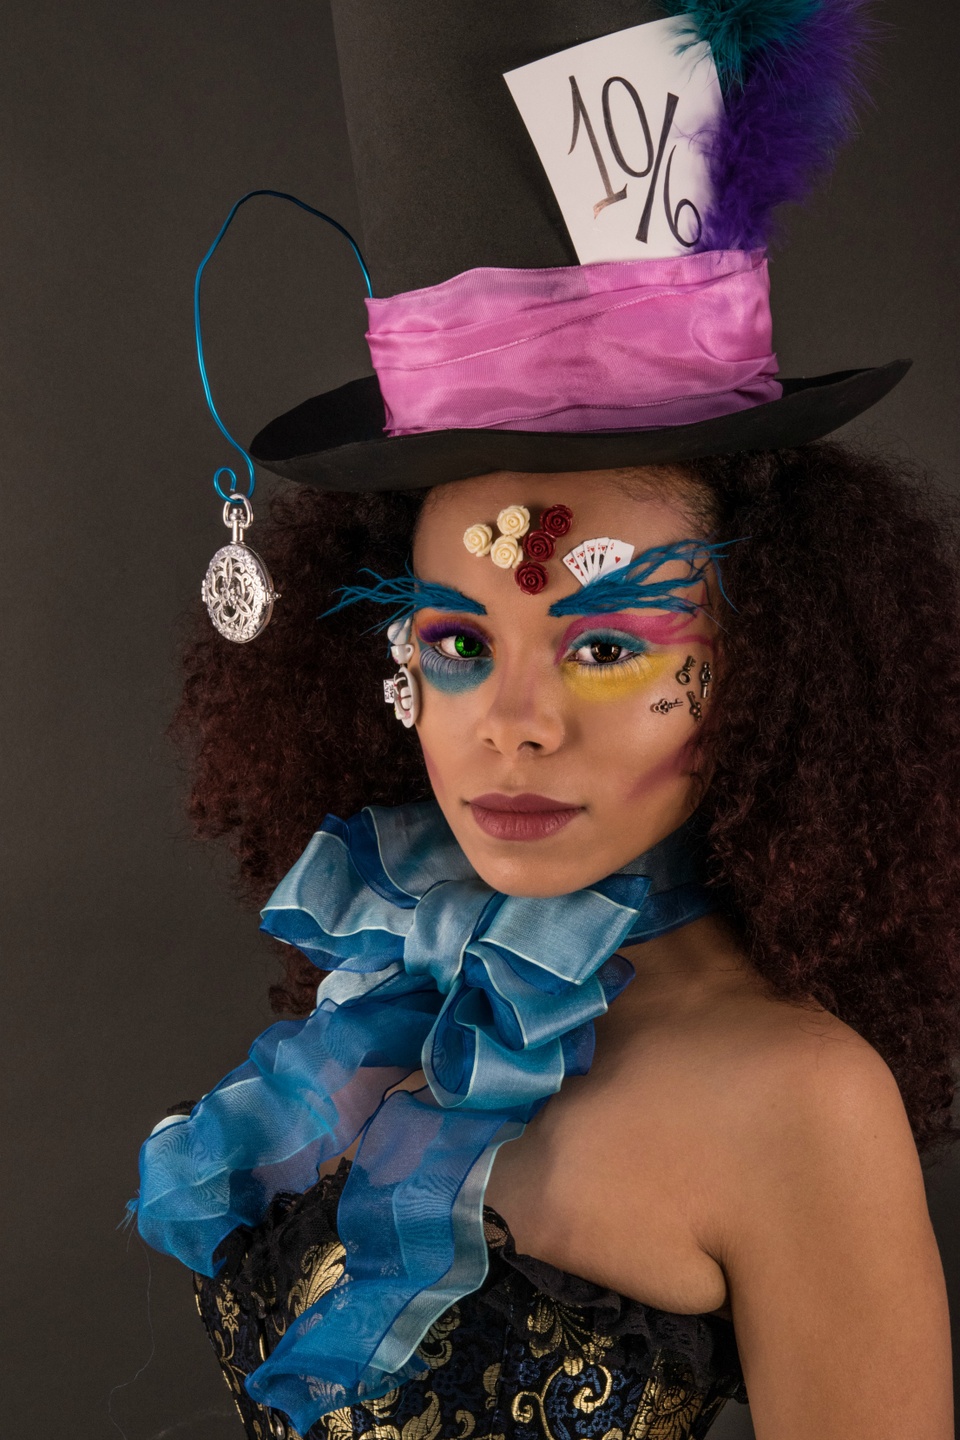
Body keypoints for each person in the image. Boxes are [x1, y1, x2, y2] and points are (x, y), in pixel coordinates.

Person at [135, 3, 958, 1438]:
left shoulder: (801, 1100)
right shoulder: (382, 991)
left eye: (605, 646)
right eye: (460, 643)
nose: (513, 725)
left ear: (769, 661)